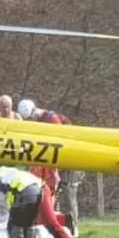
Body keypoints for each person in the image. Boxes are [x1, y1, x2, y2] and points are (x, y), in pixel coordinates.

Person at [18, 97, 84, 227]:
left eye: (31, 117)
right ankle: (60, 224)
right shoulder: (42, 121)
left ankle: (73, 226)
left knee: (68, 195)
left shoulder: (52, 119)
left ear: (34, 112)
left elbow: (59, 145)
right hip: (59, 163)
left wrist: (55, 171)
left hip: (70, 160)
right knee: (56, 196)